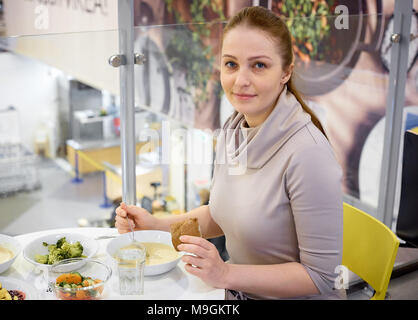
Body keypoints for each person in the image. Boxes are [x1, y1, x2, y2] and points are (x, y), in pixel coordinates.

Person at [115, 6, 344, 300]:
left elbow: (322, 278)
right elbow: (223, 213)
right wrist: (158, 226)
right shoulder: (234, 129)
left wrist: (224, 274)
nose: (240, 80)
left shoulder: (308, 154)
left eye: (259, 65)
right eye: (231, 64)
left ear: (286, 72)